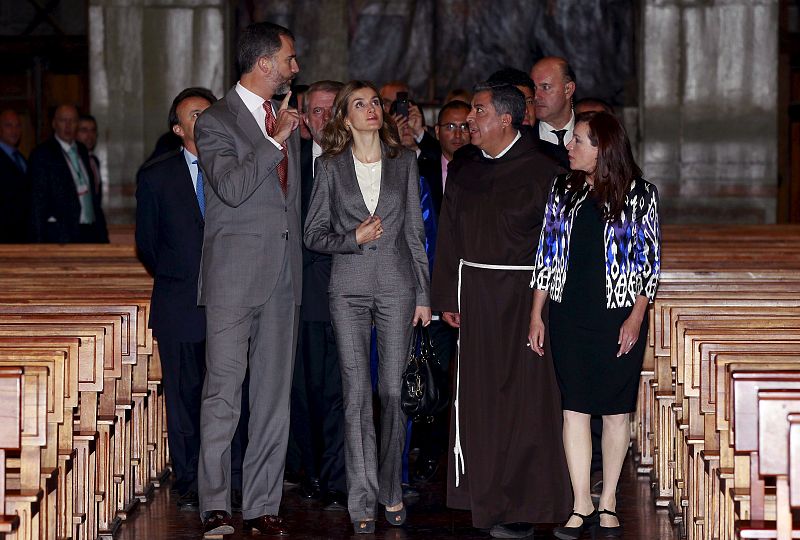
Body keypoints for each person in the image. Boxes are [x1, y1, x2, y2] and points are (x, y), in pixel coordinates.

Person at [431, 81, 571, 539]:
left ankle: (524, 502)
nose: (469, 120)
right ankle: (482, 494)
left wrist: (547, 305)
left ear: (506, 120)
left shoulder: (547, 170)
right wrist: (447, 299)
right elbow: (449, 235)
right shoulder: (467, 170)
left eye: (478, 111)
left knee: (527, 403)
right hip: (475, 299)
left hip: (528, 301)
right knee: (481, 401)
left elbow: (557, 246)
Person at [304, 80, 431, 534]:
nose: (371, 109)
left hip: (397, 287)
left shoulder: (406, 162)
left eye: (374, 101)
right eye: (359, 104)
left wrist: (423, 295)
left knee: (392, 394)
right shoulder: (331, 167)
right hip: (348, 290)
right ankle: (361, 499)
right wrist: (351, 239)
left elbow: (415, 234)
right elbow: (312, 234)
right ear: (344, 117)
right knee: (356, 397)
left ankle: (390, 489)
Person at [528, 111, 661, 539]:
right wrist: (537, 313)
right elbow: (547, 252)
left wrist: (636, 317)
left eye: (579, 141)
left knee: (617, 412)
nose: (569, 146)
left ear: (602, 147)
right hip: (570, 314)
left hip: (617, 315)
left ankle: (609, 503)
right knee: (575, 408)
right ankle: (581, 501)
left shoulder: (640, 194)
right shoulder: (562, 190)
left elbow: (649, 263)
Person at [193, 21, 302, 537]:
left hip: (283, 280)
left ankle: (262, 505)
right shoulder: (215, 120)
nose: (294, 68)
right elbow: (233, 188)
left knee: (273, 399)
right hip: (234, 280)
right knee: (223, 394)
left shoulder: (286, 119)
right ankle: (215, 503)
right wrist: (274, 141)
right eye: (289, 59)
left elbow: (291, 207)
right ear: (264, 64)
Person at [135, 87, 217, 510]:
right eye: (195, 114)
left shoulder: (232, 167)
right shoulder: (156, 176)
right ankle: (188, 481)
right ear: (177, 127)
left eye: (210, 112)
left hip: (227, 304)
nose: (204, 119)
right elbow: (147, 245)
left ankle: (226, 478)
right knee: (184, 398)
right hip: (179, 303)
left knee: (225, 396)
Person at [288, 79, 348, 510]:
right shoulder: (288, 162)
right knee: (307, 392)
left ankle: (339, 479)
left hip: (350, 291)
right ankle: (310, 472)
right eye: (316, 111)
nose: (323, 118)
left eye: (331, 110)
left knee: (344, 393)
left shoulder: (362, 161)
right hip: (301, 295)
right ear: (305, 119)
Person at [29, 104, 108, 243]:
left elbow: (93, 198)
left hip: (89, 230)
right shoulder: (43, 154)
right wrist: (38, 243)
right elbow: (37, 203)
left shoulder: (82, 151)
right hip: (61, 235)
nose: (68, 125)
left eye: (73, 121)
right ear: (54, 124)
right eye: (63, 120)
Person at [530, 56, 577, 169]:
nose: (535, 96)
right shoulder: (523, 138)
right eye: (533, 88)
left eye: (545, 87)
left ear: (568, 89)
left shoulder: (595, 133)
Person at [0, 109, 31, 243]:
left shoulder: (21, 158)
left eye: (18, 125)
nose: (14, 130)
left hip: (23, 233)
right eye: (8, 125)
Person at [76, 114, 102, 198]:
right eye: (84, 130)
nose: (90, 136)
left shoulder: (94, 161)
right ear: (74, 133)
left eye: (93, 130)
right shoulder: (73, 161)